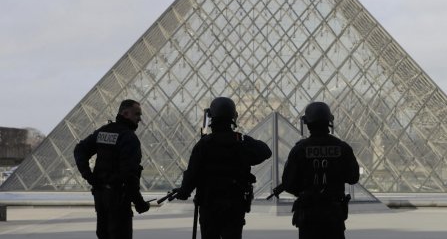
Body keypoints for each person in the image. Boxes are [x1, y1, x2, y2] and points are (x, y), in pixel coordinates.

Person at [174, 96, 272, 239]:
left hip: (209, 204)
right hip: (235, 204)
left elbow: (192, 173)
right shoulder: (241, 141)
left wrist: (184, 192)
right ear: (233, 117)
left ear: (211, 117)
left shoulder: (204, 144)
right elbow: (266, 151)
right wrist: (244, 143)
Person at [280, 102, 360, 239]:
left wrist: (304, 190)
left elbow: (288, 183)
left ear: (307, 124)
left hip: (308, 215)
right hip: (334, 214)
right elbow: (353, 178)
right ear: (329, 122)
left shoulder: (299, 149)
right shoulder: (342, 148)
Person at [74, 99, 151, 239]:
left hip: (100, 196)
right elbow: (130, 175)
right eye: (137, 114)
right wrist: (140, 203)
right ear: (125, 113)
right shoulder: (129, 137)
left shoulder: (104, 131)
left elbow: (80, 149)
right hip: (118, 199)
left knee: (103, 234)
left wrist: (88, 175)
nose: (140, 118)